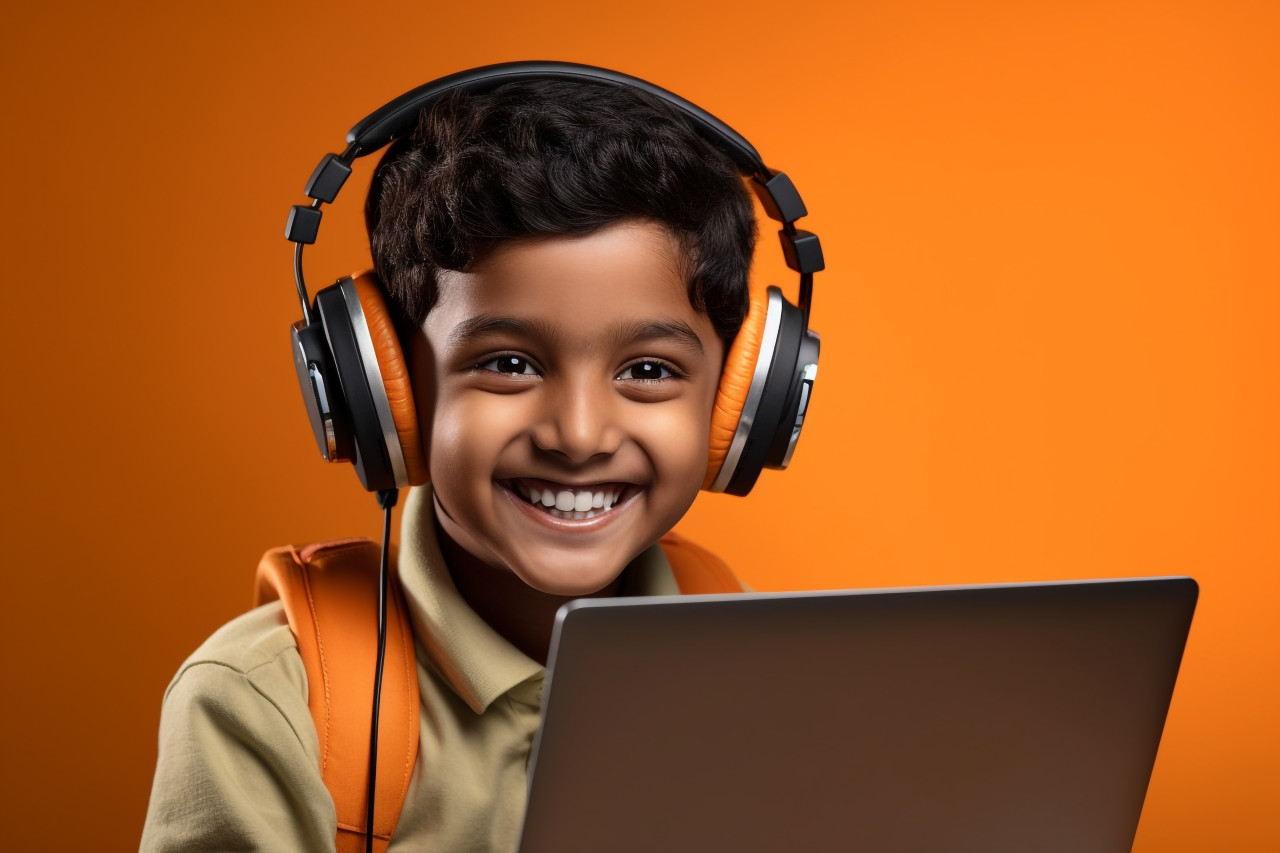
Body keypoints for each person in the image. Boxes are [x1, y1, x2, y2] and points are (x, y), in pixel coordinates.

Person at [140, 65, 819, 852]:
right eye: (508, 364)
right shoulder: (264, 705)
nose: (579, 433)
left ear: (740, 402)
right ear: (385, 392)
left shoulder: (762, 667)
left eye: (647, 371)